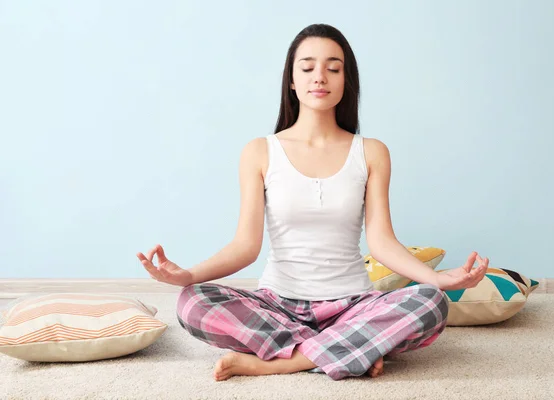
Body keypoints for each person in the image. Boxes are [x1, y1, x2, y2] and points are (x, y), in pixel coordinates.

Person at [137, 23, 489, 382]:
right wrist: (189, 275)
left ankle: (285, 360)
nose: (319, 77)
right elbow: (246, 246)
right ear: (291, 80)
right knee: (191, 301)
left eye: (333, 68)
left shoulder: (371, 152)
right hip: (278, 305)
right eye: (307, 68)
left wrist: (438, 279)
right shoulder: (260, 151)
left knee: (429, 303)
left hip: (353, 305)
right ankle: (348, 350)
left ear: (346, 80)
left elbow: (381, 242)